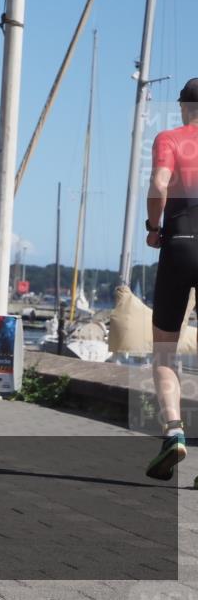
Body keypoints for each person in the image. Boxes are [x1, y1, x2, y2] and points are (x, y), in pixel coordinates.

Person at [145, 77, 198, 480]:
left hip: (179, 244)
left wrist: (153, 225)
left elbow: (159, 184)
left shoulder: (170, 138)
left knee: (164, 350)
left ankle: (174, 432)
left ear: (183, 106)